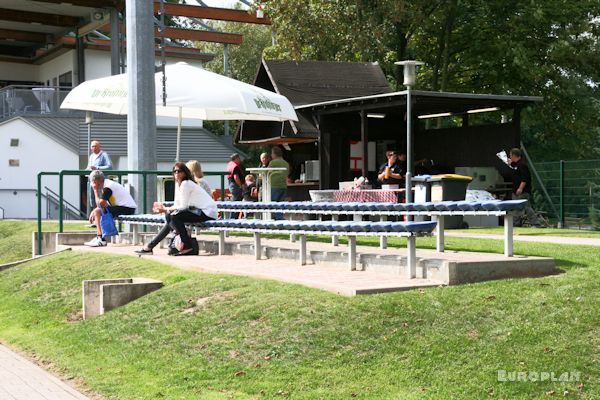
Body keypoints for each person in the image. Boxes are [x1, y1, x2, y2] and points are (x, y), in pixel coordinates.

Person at [135, 163, 218, 255]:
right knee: (170, 216)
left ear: (185, 173)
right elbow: (177, 204)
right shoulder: (178, 184)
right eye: (175, 171)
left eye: (179, 171)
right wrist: (165, 209)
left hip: (207, 212)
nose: (177, 173)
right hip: (196, 211)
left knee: (173, 217)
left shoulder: (186, 183)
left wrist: (165, 209)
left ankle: (187, 246)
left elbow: (183, 207)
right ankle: (150, 246)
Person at [85, 170, 136, 247]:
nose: (92, 184)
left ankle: (101, 239)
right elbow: (103, 204)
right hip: (126, 207)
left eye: (92, 181)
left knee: (97, 212)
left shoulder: (108, 187)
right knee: (97, 211)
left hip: (127, 208)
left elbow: (100, 204)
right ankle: (100, 237)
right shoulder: (107, 184)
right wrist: (95, 210)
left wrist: (95, 190)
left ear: (96, 181)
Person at [509, 148, 541, 227]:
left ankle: (535, 223)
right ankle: (516, 223)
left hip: (522, 191)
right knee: (516, 208)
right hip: (515, 191)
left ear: (514, 155)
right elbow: (512, 166)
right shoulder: (515, 165)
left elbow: (525, 178)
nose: (510, 157)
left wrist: (520, 188)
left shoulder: (522, 165)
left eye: (510, 155)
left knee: (526, 207)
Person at [86, 140, 113, 212]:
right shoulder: (91, 156)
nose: (94, 148)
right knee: (92, 198)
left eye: (95, 146)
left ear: (99, 147)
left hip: (101, 181)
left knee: (101, 198)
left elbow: (110, 167)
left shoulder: (104, 155)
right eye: (92, 146)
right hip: (92, 180)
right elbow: (89, 167)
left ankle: (103, 214)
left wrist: (97, 168)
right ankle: (95, 216)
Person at [268, 146, 289, 220]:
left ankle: (277, 219)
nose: (271, 155)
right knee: (280, 204)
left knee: (273, 203)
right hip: (283, 186)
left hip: (274, 186)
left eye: (271, 153)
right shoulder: (286, 163)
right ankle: (280, 218)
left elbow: (267, 172)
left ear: (274, 154)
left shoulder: (273, 162)